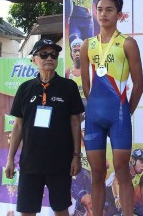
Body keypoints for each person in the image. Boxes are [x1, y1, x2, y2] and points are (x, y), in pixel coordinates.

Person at [80, 0, 143, 216]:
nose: (103, 14)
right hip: (94, 117)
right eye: (99, 10)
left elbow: (139, 85)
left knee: (121, 171)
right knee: (96, 173)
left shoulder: (128, 43)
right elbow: (87, 86)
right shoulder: (88, 45)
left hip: (118, 116)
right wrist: (95, 105)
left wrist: (125, 111)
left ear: (119, 14)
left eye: (109, 10)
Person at [5, 38, 85, 215]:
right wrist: (10, 158)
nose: (49, 58)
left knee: (61, 209)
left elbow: (75, 123)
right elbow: (17, 126)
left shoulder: (69, 87)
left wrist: (76, 156)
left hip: (60, 162)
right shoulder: (25, 89)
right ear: (34, 59)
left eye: (53, 55)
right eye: (44, 54)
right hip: (30, 162)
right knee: (27, 211)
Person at [107, 148, 143, 216]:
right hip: (107, 196)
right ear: (133, 161)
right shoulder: (123, 169)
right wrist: (116, 197)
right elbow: (115, 183)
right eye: (142, 162)